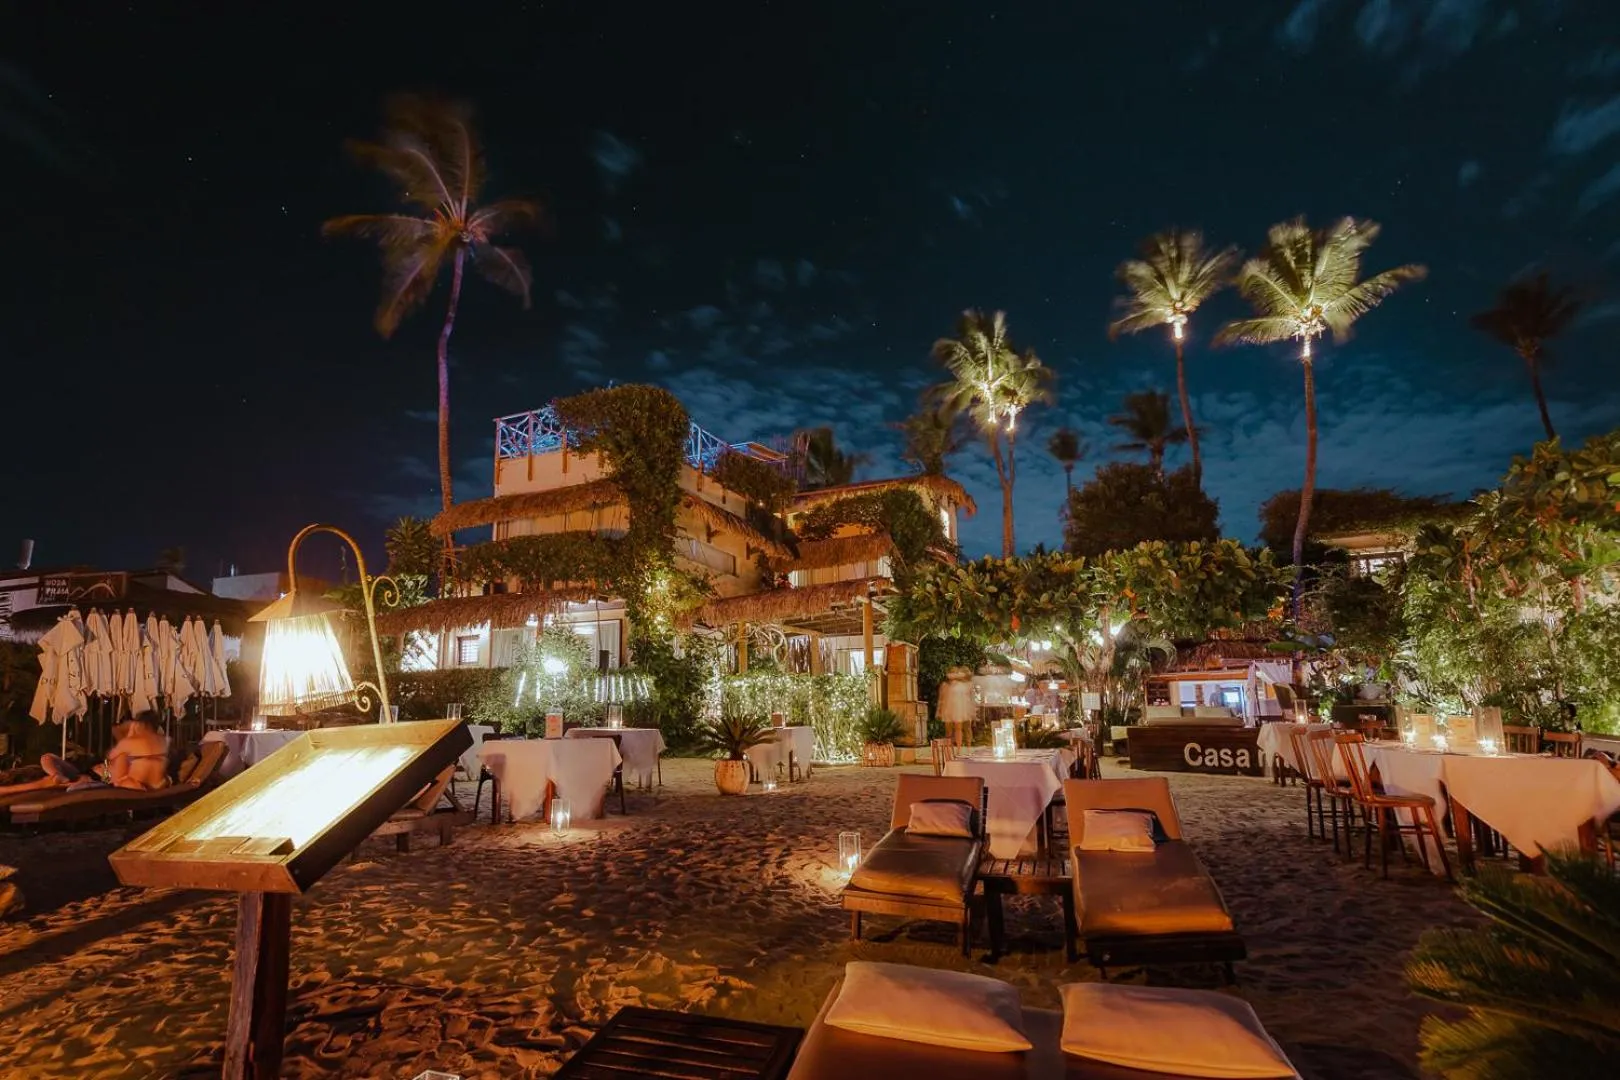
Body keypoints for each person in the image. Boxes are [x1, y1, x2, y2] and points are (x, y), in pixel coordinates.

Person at [0, 711, 171, 796]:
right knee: (47, 758)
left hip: (98, 780)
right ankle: (58, 776)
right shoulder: (160, 745)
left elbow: (117, 772)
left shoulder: (131, 746)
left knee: (59, 779)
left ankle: (55, 780)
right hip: (86, 774)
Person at [937, 667, 978, 748]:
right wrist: (939, 710)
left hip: (962, 708)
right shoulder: (946, 685)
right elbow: (942, 699)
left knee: (964, 728)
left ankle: (964, 746)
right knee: (949, 730)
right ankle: (952, 748)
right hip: (950, 708)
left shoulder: (965, 685)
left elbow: (970, 698)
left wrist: (973, 710)